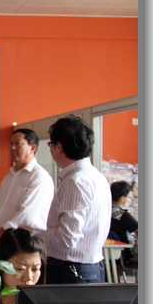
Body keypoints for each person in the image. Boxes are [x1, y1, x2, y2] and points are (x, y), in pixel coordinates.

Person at [43, 115, 112, 284]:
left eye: (51, 145)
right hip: (89, 268)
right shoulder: (96, 177)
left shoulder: (75, 181)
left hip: (70, 271)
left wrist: (34, 234)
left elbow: (66, 238)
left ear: (59, 147)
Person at [0, 129, 54, 251]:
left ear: (32, 148)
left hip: (25, 246)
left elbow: (27, 215)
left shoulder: (39, 176)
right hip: (3, 243)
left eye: (18, 143)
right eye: (11, 143)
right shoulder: (9, 177)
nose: (13, 148)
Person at [109, 181, 138, 245]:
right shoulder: (121, 214)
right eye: (128, 197)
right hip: (126, 248)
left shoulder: (107, 210)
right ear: (122, 198)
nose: (128, 199)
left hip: (112, 247)